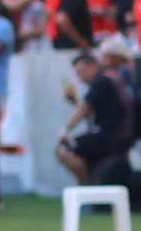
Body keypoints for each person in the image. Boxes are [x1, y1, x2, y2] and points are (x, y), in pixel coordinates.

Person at [55, 44, 135, 186]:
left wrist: (65, 129)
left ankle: (85, 187)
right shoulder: (110, 78)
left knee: (64, 149)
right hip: (115, 135)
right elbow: (91, 113)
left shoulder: (103, 79)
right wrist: (74, 101)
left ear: (93, 65)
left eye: (81, 72)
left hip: (112, 137)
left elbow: (84, 107)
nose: (80, 78)